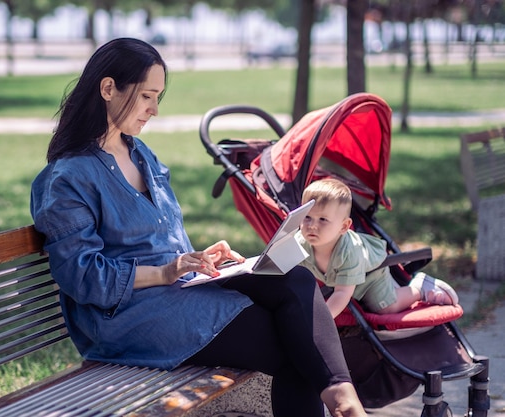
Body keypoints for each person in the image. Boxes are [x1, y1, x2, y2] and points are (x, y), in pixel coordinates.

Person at [30, 37, 366, 417]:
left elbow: (162, 241)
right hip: (126, 318)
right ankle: (344, 403)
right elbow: (83, 278)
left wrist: (198, 260)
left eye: (158, 97)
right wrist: (165, 271)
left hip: (176, 292)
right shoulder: (68, 178)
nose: (154, 110)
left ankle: (343, 396)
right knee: (294, 347)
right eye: (146, 96)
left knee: (295, 280)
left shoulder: (141, 154)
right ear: (108, 88)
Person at [297, 178, 459, 319]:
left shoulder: (349, 252)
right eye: (307, 217)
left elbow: (341, 293)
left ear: (344, 226)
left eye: (323, 220)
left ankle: (419, 288)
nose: (312, 226)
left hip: (371, 276)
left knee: (386, 307)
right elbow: (280, 267)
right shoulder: (300, 243)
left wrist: (321, 320)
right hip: (341, 279)